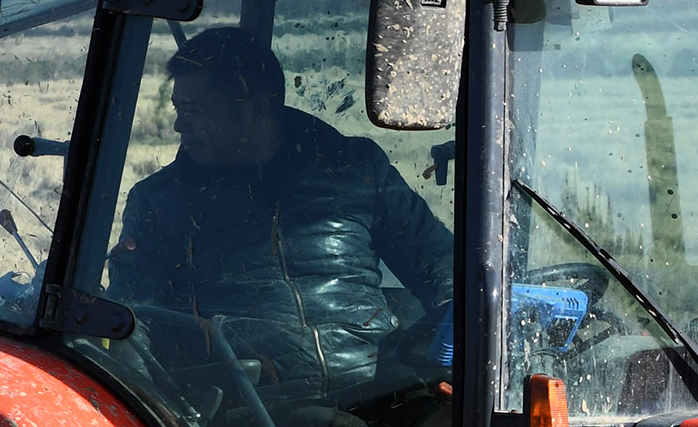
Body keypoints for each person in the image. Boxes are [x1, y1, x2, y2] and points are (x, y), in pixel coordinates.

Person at [108, 24, 455, 396]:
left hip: (384, 389)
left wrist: (453, 312)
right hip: (260, 411)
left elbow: (437, 257)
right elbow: (133, 324)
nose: (179, 124)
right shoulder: (160, 202)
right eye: (179, 108)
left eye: (194, 109)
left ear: (255, 110)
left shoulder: (355, 169)